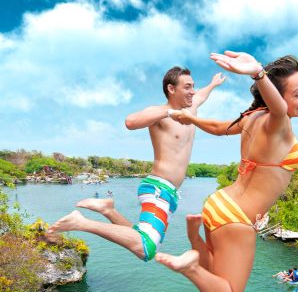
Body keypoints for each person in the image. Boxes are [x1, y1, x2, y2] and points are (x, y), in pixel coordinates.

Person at [155, 50, 298, 292]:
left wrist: (191, 118)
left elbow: (217, 127)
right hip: (237, 217)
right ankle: (190, 266)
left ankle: (194, 239)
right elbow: (280, 110)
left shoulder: (252, 117)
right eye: (297, 93)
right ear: (277, 95)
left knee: (217, 275)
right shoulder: (277, 122)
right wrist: (258, 73)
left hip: (219, 203)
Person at [47, 68, 225, 261]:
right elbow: (130, 122)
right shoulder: (159, 112)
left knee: (140, 236)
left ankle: (108, 209)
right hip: (158, 188)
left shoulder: (191, 110)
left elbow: (201, 96)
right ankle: (81, 222)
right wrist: (169, 112)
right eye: (187, 87)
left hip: (170, 192)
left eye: (193, 87)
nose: (192, 91)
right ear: (171, 89)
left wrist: (213, 84)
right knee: (146, 248)